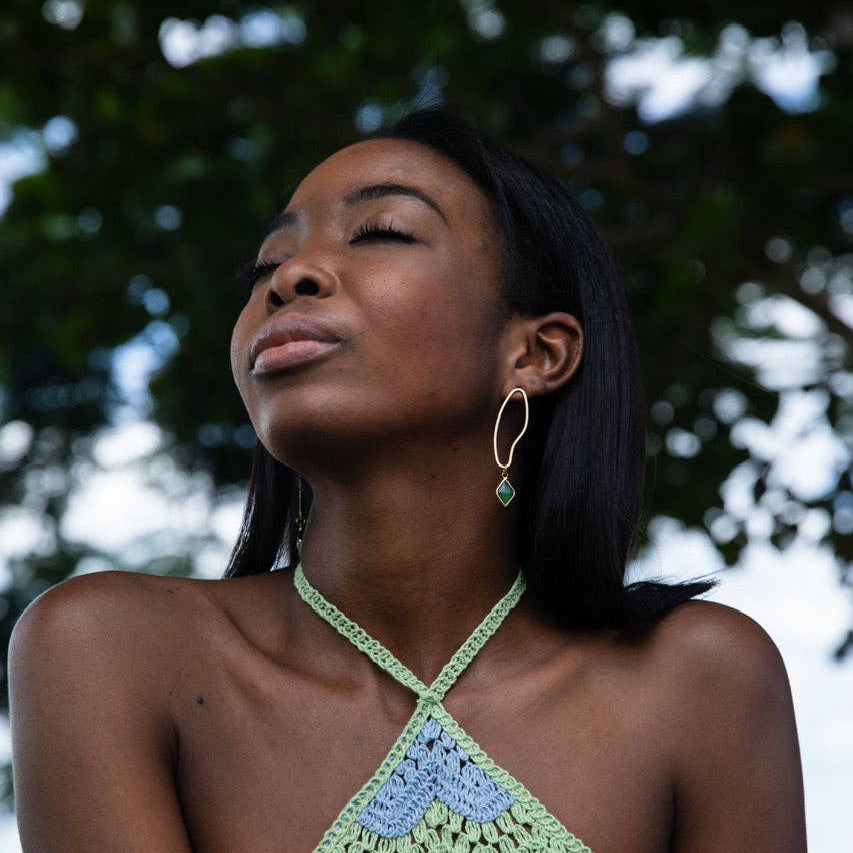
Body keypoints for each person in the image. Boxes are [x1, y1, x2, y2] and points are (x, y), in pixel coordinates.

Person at [8, 105, 806, 853]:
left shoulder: (699, 678)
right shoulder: (113, 649)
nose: (291, 278)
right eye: (267, 265)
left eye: (381, 231)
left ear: (535, 353)